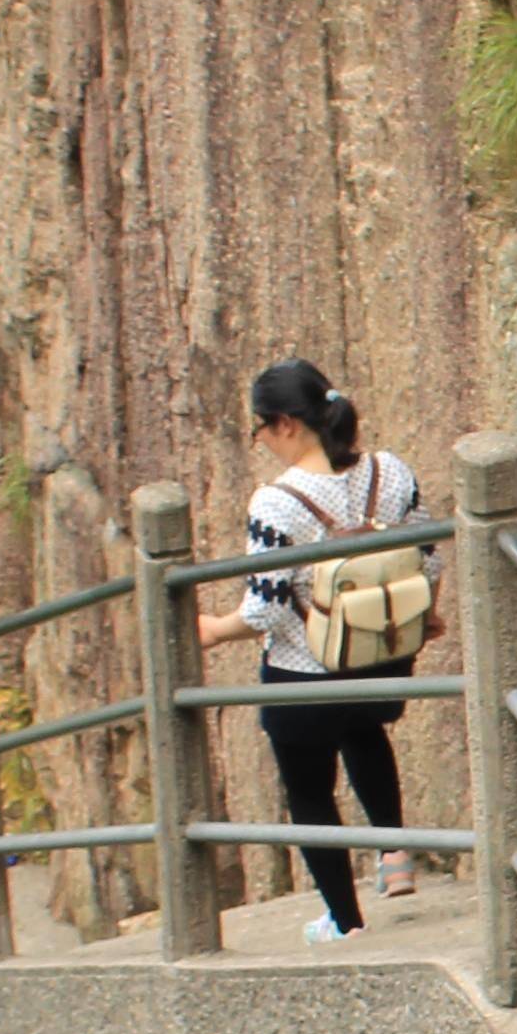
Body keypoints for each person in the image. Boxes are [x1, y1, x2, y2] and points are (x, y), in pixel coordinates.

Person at [198, 360, 425, 944]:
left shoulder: (277, 503)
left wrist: (216, 629)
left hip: (305, 668)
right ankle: (393, 851)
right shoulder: (390, 472)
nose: (263, 441)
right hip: (384, 660)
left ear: (285, 424)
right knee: (365, 734)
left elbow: (266, 609)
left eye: (260, 428)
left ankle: (344, 920)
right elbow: (432, 557)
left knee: (308, 789)